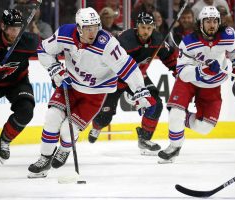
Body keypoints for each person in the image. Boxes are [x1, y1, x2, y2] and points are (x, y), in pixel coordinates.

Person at [28, 7, 156, 178]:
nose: (92, 32)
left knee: (67, 131)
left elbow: (128, 67)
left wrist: (140, 90)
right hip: (70, 85)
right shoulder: (65, 33)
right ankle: (44, 159)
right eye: (88, 28)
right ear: (79, 27)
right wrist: (55, 69)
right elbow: (44, 49)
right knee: (52, 117)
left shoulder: (107, 44)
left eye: (95, 27)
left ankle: (65, 148)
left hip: (94, 94)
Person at [158, 6, 235, 163]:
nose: (212, 25)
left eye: (215, 21)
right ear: (200, 23)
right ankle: (174, 146)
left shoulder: (227, 35)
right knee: (175, 114)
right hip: (189, 81)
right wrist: (202, 70)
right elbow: (182, 71)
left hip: (213, 84)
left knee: (205, 128)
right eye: (208, 21)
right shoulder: (188, 42)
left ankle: (181, 118)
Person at [88, 12, 178, 155]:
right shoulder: (125, 40)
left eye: (149, 28)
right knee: (105, 116)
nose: (146, 31)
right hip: (115, 79)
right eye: (143, 27)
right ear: (137, 27)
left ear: (153, 28)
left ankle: (144, 139)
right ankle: (97, 127)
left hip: (138, 78)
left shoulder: (157, 39)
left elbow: (170, 57)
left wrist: (178, 71)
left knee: (155, 104)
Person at [0, 9, 39, 164]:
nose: (15, 33)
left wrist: (56, 72)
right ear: (3, 26)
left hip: (17, 83)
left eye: (18, 29)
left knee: (26, 111)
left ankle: (4, 140)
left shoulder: (29, 41)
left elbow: (50, 52)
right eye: (11, 29)